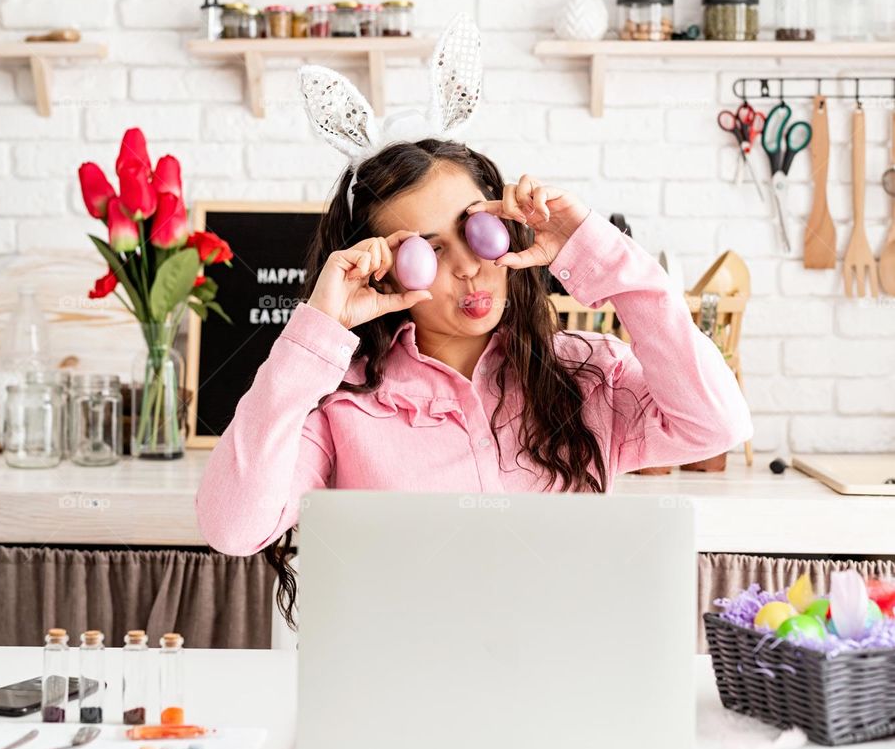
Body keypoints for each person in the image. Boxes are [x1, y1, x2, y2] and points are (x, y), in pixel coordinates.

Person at [196, 139, 753, 628]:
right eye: (430, 250)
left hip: (567, 689)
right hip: (402, 704)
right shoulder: (345, 405)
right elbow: (233, 527)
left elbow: (715, 425)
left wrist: (591, 246)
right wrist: (317, 331)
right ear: (383, 269)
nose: (466, 266)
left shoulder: (585, 374)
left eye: (475, 230)